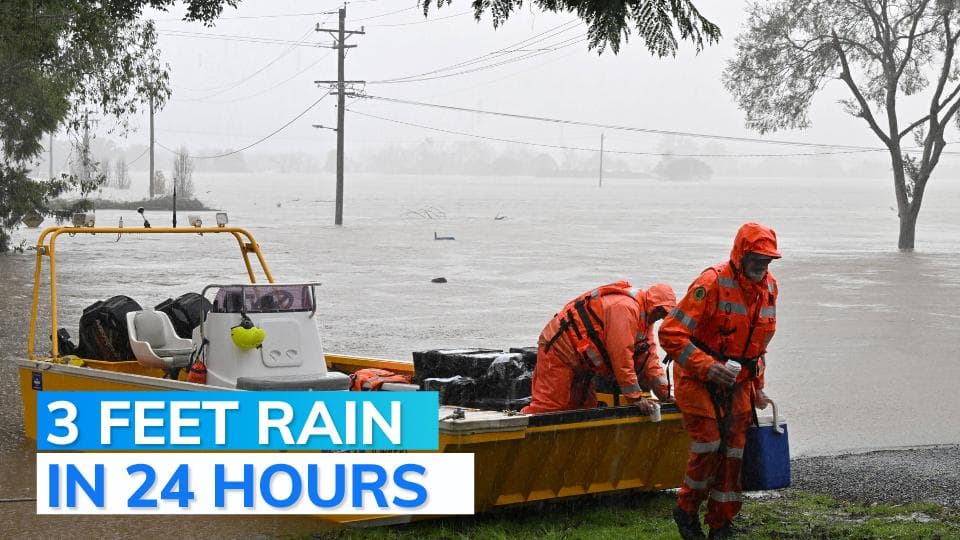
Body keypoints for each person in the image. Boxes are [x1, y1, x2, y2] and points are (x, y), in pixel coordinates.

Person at [659, 222, 780, 540]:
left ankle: (721, 523)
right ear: (741, 254)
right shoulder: (711, 283)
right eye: (757, 258)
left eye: (768, 260)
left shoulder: (769, 288)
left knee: (734, 452)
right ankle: (686, 510)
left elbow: (758, 345)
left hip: (739, 382)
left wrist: (759, 386)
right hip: (697, 379)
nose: (762, 265)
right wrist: (707, 366)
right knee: (709, 443)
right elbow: (669, 332)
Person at [521, 281, 677, 414]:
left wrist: (666, 396)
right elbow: (621, 357)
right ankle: (518, 439)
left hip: (583, 365)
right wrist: (635, 398)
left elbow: (650, 362)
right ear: (653, 304)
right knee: (549, 409)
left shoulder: (645, 322)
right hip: (560, 351)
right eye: (661, 311)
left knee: (584, 410)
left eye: (665, 314)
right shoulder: (625, 308)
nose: (661, 316)